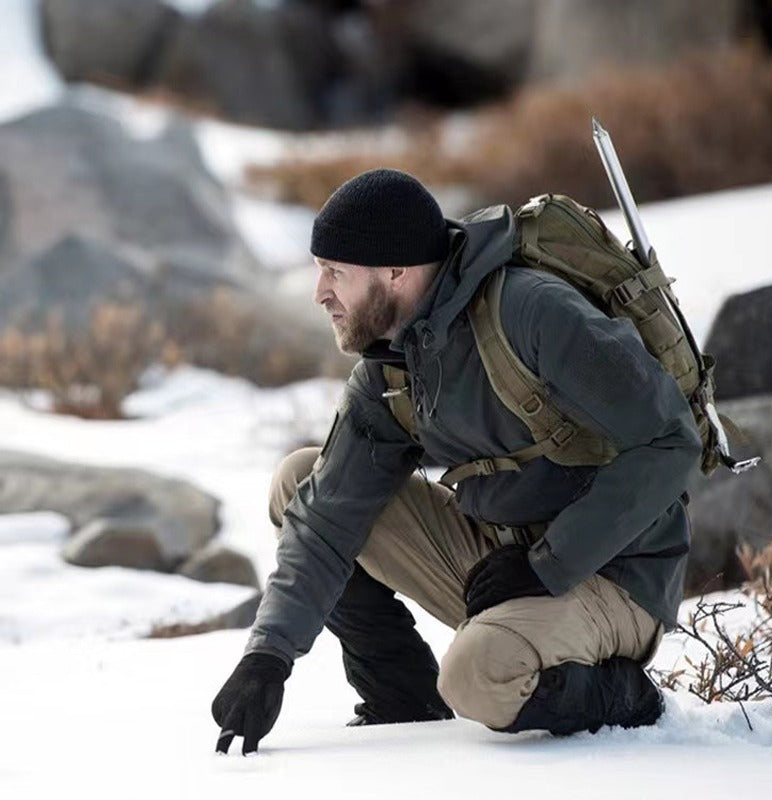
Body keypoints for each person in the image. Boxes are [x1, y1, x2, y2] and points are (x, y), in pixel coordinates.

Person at [212, 168, 702, 755]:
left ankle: (627, 697)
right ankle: (401, 699)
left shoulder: (533, 313)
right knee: (300, 483)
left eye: (335, 272)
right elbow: (326, 518)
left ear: (395, 271)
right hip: (502, 566)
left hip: (615, 575)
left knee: (478, 676)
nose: (320, 292)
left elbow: (670, 441)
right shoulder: (391, 365)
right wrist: (268, 655)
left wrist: (550, 562)